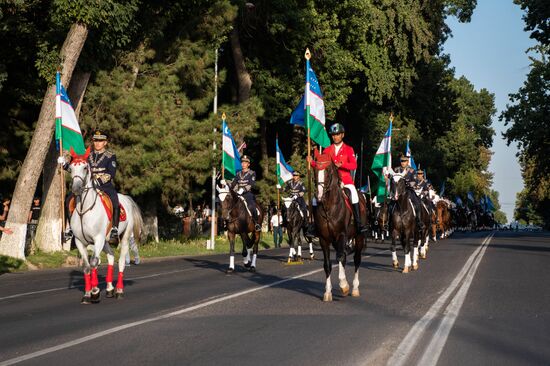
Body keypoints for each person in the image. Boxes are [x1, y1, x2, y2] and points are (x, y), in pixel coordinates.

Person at [60, 130, 121, 244]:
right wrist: (65, 165)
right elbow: (78, 169)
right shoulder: (87, 155)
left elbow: (111, 173)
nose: (97, 143)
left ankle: (114, 229)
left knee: (115, 200)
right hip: (87, 186)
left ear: (105, 142)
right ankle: (69, 229)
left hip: (103, 185)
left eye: (100, 141)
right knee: (69, 200)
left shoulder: (110, 156)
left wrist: (98, 181)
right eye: (95, 141)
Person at [307, 123, 367, 234]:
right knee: (315, 199)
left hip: (345, 180)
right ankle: (314, 226)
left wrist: (342, 164)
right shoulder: (327, 150)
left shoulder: (348, 149)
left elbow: (354, 165)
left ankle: (358, 223)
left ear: (342, 135)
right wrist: (312, 163)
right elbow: (321, 166)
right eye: (333, 135)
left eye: (338, 134)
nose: (335, 136)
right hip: (330, 182)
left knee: (353, 193)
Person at [229, 155, 261, 231]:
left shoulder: (252, 173)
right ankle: (228, 222)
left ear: (248, 164)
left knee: (252, 206)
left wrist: (243, 189)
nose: (243, 164)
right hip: (238, 194)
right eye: (242, 162)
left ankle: (256, 223)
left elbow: (251, 184)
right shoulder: (238, 173)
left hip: (247, 194)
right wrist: (227, 185)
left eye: (245, 162)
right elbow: (233, 183)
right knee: (229, 205)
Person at [393, 155, 424, 230]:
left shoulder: (412, 170)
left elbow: (415, 181)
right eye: (401, 161)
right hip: (398, 191)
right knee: (390, 205)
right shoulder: (396, 169)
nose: (402, 163)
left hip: (408, 190)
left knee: (417, 203)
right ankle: (389, 223)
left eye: (404, 161)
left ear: (407, 162)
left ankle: (419, 221)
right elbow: (393, 179)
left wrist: (408, 183)